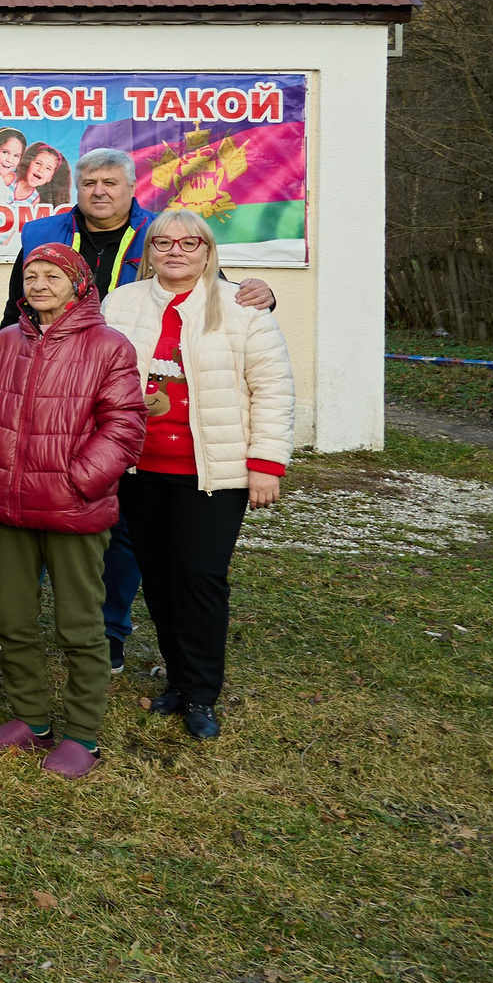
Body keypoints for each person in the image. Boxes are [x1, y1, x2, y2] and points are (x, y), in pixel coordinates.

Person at [0, 147, 272, 663]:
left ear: (132, 189)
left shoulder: (160, 235)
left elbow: (202, 288)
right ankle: (5, 615)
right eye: (89, 183)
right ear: (75, 189)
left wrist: (259, 294)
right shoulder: (42, 234)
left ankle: (109, 632)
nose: (99, 191)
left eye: (110, 182)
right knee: (33, 500)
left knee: (117, 524)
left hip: (116, 393)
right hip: (49, 388)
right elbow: (22, 305)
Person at [101, 208, 293, 740]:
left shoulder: (243, 307)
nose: (176, 251)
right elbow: (99, 374)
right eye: (164, 242)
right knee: (158, 579)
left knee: (200, 578)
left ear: (208, 251)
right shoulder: (122, 304)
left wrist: (266, 466)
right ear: (149, 251)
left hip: (214, 472)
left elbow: (273, 390)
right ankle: (179, 681)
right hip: (141, 469)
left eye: (190, 243)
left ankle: (203, 694)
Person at [0, 242, 146, 780]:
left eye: (52, 276)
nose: (39, 284)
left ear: (79, 284)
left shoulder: (110, 346)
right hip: (9, 506)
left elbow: (126, 424)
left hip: (74, 509)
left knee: (79, 625)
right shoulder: (3, 343)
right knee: (15, 620)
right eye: (31, 275)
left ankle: (82, 735)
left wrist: (79, 481)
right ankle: (31, 719)